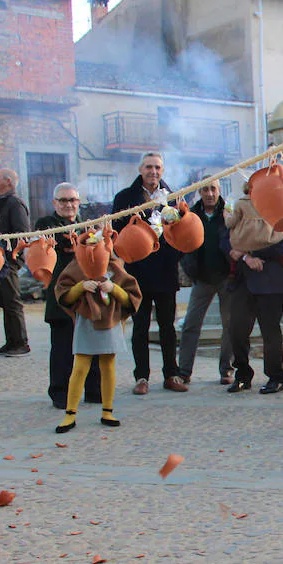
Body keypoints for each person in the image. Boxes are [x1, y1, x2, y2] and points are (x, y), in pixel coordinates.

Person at [112, 152, 186, 394]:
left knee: (168, 327)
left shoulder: (172, 197)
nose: (153, 171)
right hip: (138, 271)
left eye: (157, 167)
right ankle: (141, 376)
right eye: (148, 167)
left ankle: (171, 374)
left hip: (165, 270)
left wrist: (175, 256)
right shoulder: (125, 198)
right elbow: (116, 232)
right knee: (140, 326)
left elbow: (182, 232)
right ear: (140, 169)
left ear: (162, 171)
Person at [54, 244, 142, 432]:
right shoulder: (77, 266)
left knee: (108, 365)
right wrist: (80, 287)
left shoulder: (115, 267)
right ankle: (70, 414)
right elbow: (64, 296)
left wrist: (114, 289)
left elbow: (131, 299)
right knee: (80, 367)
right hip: (86, 322)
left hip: (110, 322)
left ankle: (107, 410)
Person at [35, 183, 101, 409]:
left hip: (87, 294)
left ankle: (93, 389)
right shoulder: (46, 224)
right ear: (55, 203)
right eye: (63, 200)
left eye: (72, 200)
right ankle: (60, 392)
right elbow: (55, 242)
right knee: (62, 348)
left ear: (78, 202)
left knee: (92, 344)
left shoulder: (86, 224)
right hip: (60, 295)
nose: (68, 205)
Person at [221, 186, 283, 393]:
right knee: (237, 330)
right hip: (242, 280)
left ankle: (276, 376)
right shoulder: (239, 209)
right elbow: (224, 239)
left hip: (270, 280)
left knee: (270, 332)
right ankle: (242, 374)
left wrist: (247, 250)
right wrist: (246, 257)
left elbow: (282, 244)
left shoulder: (281, 208)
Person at [177, 182, 234, 386]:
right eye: (205, 190)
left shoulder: (229, 212)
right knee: (191, 323)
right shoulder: (191, 215)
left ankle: (227, 368)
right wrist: (188, 266)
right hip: (201, 278)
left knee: (229, 325)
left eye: (213, 189)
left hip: (226, 277)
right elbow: (182, 243)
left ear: (219, 191)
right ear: (199, 192)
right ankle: (184, 370)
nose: (209, 194)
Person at [0, 168, 31, 356]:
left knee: (12, 301)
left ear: (8, 181)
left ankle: (21, 342)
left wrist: (12, 256)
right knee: (5, 301)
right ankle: (11, 341)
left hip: (8, 259)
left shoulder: (14, 203)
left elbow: (22, 233)